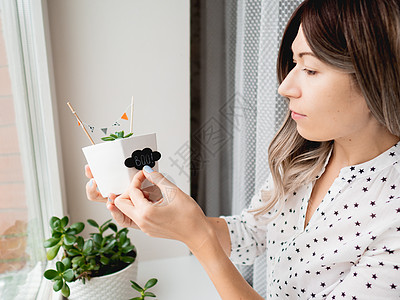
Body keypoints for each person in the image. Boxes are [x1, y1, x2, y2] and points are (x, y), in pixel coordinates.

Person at [86, 0, 400, 298]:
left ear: (377, 77)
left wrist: (199, 238)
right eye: (294, 64)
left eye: (311, 69)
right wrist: (165, 210)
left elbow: (211, 240)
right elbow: (251, 233)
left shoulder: (392, 215)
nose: (284, 87)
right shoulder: (306, 157)